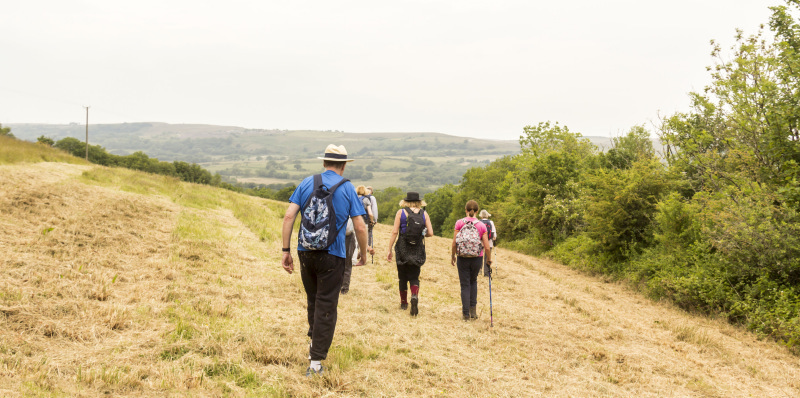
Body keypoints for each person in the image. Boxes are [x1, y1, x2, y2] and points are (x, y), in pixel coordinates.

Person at [281, 144, 374, 377]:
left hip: (305, 251)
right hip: (333, 254)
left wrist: (286, 250)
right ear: (343, 165)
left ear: (324, 163)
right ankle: (315, 363)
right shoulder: (347, 188)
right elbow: (361, 226)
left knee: (313, 299)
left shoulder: (306, 182)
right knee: (326, 305)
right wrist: (362, 253)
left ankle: (314, 345)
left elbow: (289, 215)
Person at [386, 192, 433, 316]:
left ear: (406, 201)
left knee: (402, 276)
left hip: (402, 245)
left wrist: (389, 249)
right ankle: (414, 295)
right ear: (419, 202)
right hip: (417, 246)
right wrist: (421, 234)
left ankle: (403, 303)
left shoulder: (401, 213)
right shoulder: (424, 214)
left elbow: (394, 232)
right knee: (414, 276)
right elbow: (431, 233)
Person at [451, 200, 492, 320]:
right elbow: (487, 247)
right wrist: (488, 259)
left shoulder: (459, 223)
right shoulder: (481, 225)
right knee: (473, 281)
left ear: (466, 210)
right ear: (477, 211)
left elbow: (454, 243)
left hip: (462, 257)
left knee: (464, 285)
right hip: (477, 258)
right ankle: (473, 311)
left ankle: (465, 314)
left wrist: (453, 256)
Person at [478, 209, 497, 277]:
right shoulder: (491, 222)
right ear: (487, 216)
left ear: (481, 216)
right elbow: (494, 234)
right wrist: (494, 238)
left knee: (479, 256)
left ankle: (479, 270)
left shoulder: (478, 222)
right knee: (487, 257)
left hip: (480, 242)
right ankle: (486, 273)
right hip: (489, 243)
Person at [341, 218, 356, 294]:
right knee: (347, 263)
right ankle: (344, 288)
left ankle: (335, 286)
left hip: (335, 235)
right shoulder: (353, 206)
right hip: (348, 236)